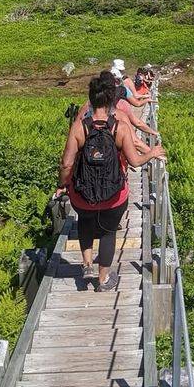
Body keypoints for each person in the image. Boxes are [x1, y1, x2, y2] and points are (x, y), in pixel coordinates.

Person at [56, 72, 165, 289]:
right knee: (108, 232)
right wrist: (152, 153)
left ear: (91, 98)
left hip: (82, 194)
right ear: (110, 99)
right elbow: (134, 161)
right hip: (114, 195)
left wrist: (62, 185)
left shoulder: (78, 127)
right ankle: (103, 278)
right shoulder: (120, 127)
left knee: (85, 224)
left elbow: (66, 164)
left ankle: (87, 264)